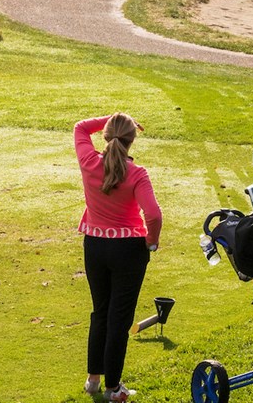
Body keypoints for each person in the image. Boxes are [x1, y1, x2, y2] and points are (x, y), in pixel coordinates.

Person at [76, 113, 162, 403]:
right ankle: (114, 389)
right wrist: (151, 242)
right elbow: (153, 215)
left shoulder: (89, 162)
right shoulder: (137, 173)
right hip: (129, 251)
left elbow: (80, 127)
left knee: (100, 312)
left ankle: (93, 380)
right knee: (119, 319)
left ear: (107, 136)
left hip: (95, 246)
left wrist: (111, 119)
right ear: (132, 139)